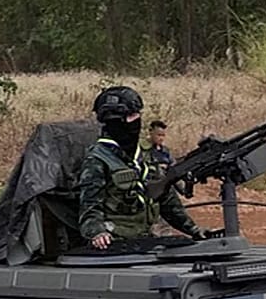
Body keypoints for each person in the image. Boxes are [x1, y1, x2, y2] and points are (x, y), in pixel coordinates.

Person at [79, 86, 213, 249]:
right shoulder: (97, 160)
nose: (137, 121)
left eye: (137, 115)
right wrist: (97, 233)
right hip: (114, 244)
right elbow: (89, 207)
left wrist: (193, 230)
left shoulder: (145, 155)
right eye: (131, 116)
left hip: (145, 240)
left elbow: (167, 200)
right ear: (115, 120)